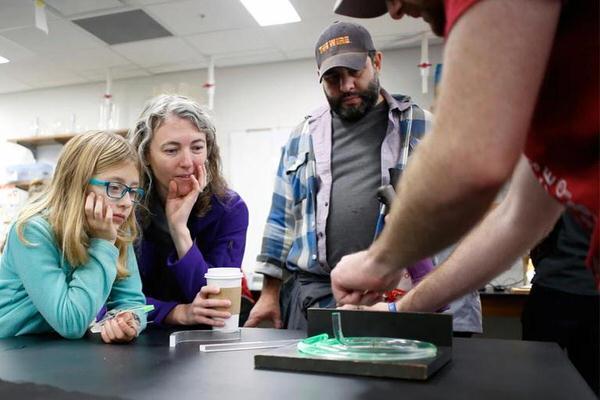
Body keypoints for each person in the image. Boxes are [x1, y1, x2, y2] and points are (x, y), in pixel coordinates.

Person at [330, 0, 598, 318]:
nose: (396, 11)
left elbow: (468, 162)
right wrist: (396, 308)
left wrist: (377, 260)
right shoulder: (555, 75)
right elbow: (515, 220)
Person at [245, 21, 481, 332]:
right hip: (316, 297)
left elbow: (465, 220)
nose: (346, 86)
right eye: (333, 79)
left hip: (404, 295)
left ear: (377, 62)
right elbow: (280, 220)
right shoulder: (301, 137)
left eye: (355, 72)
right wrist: (269, 294)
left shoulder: (426, 127)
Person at [0, 131, 147, 343]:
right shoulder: (30, 231)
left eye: (133, 191)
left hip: (58, 351)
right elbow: (71, 322)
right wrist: (103, 243)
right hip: (11, 352)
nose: (126, 202)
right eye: (115, 187)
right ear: (77, 184)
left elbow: (132, 301)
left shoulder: (116, 230)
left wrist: (129, 319)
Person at [128, 94, 253, 328]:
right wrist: (174, 312)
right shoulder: (126, 206)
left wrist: (180, 231)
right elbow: (113, 299)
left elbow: (216, 303)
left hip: (206, 342)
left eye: (197, 147)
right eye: (171, 150)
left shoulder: (229, 208)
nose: (188, 162)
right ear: (146, 155)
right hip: (139, 337)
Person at [522, 211, 599, 395]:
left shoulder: (559, 184)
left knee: (538, 379)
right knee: (592, 384)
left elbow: (533, 230)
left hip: (553, 286)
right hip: (592, 291)